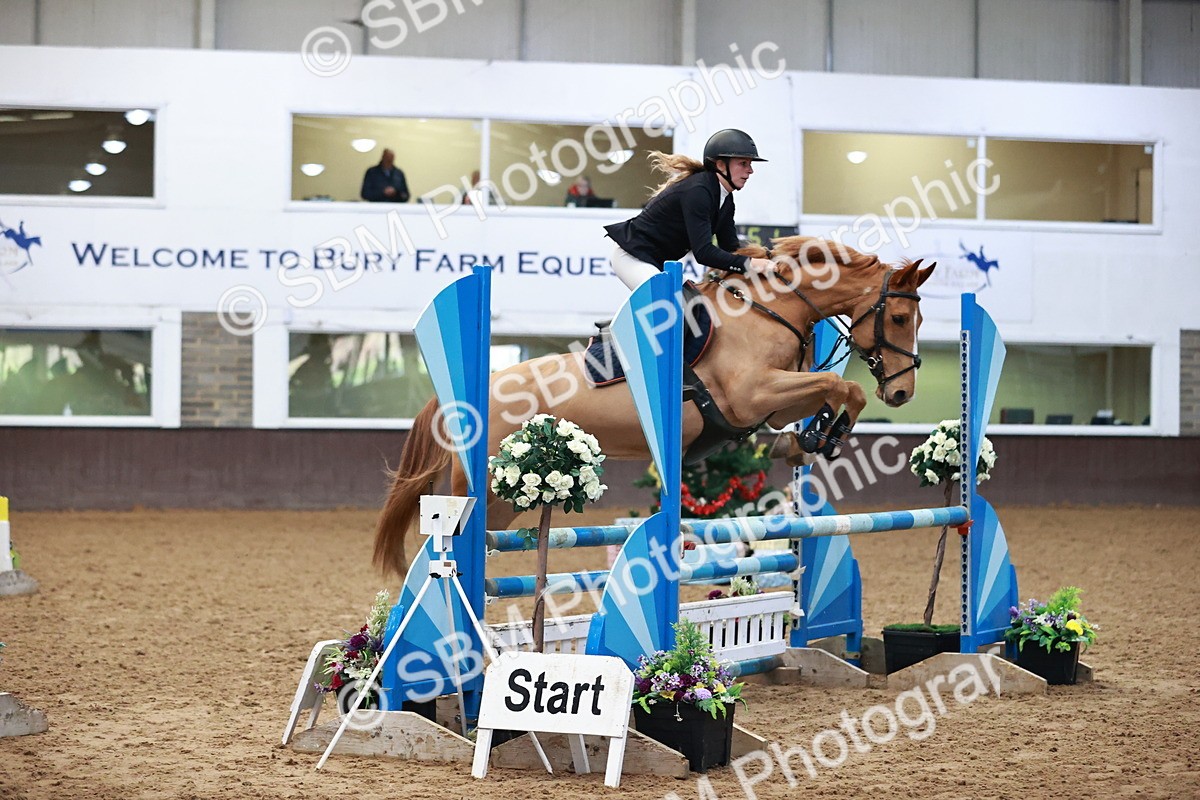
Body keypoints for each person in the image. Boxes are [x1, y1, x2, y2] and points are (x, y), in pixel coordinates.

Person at [604, 129, 775, 289]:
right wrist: (750, 264)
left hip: (657, 263)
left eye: (750, 164)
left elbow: (730, 247)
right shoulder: (698, 191)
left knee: (696, 305)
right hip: (632, 257)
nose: (750, 170)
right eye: (743, 163)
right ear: (721, 165)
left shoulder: (726, 199)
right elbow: (703, 253)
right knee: (664, 299)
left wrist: (766, 257)